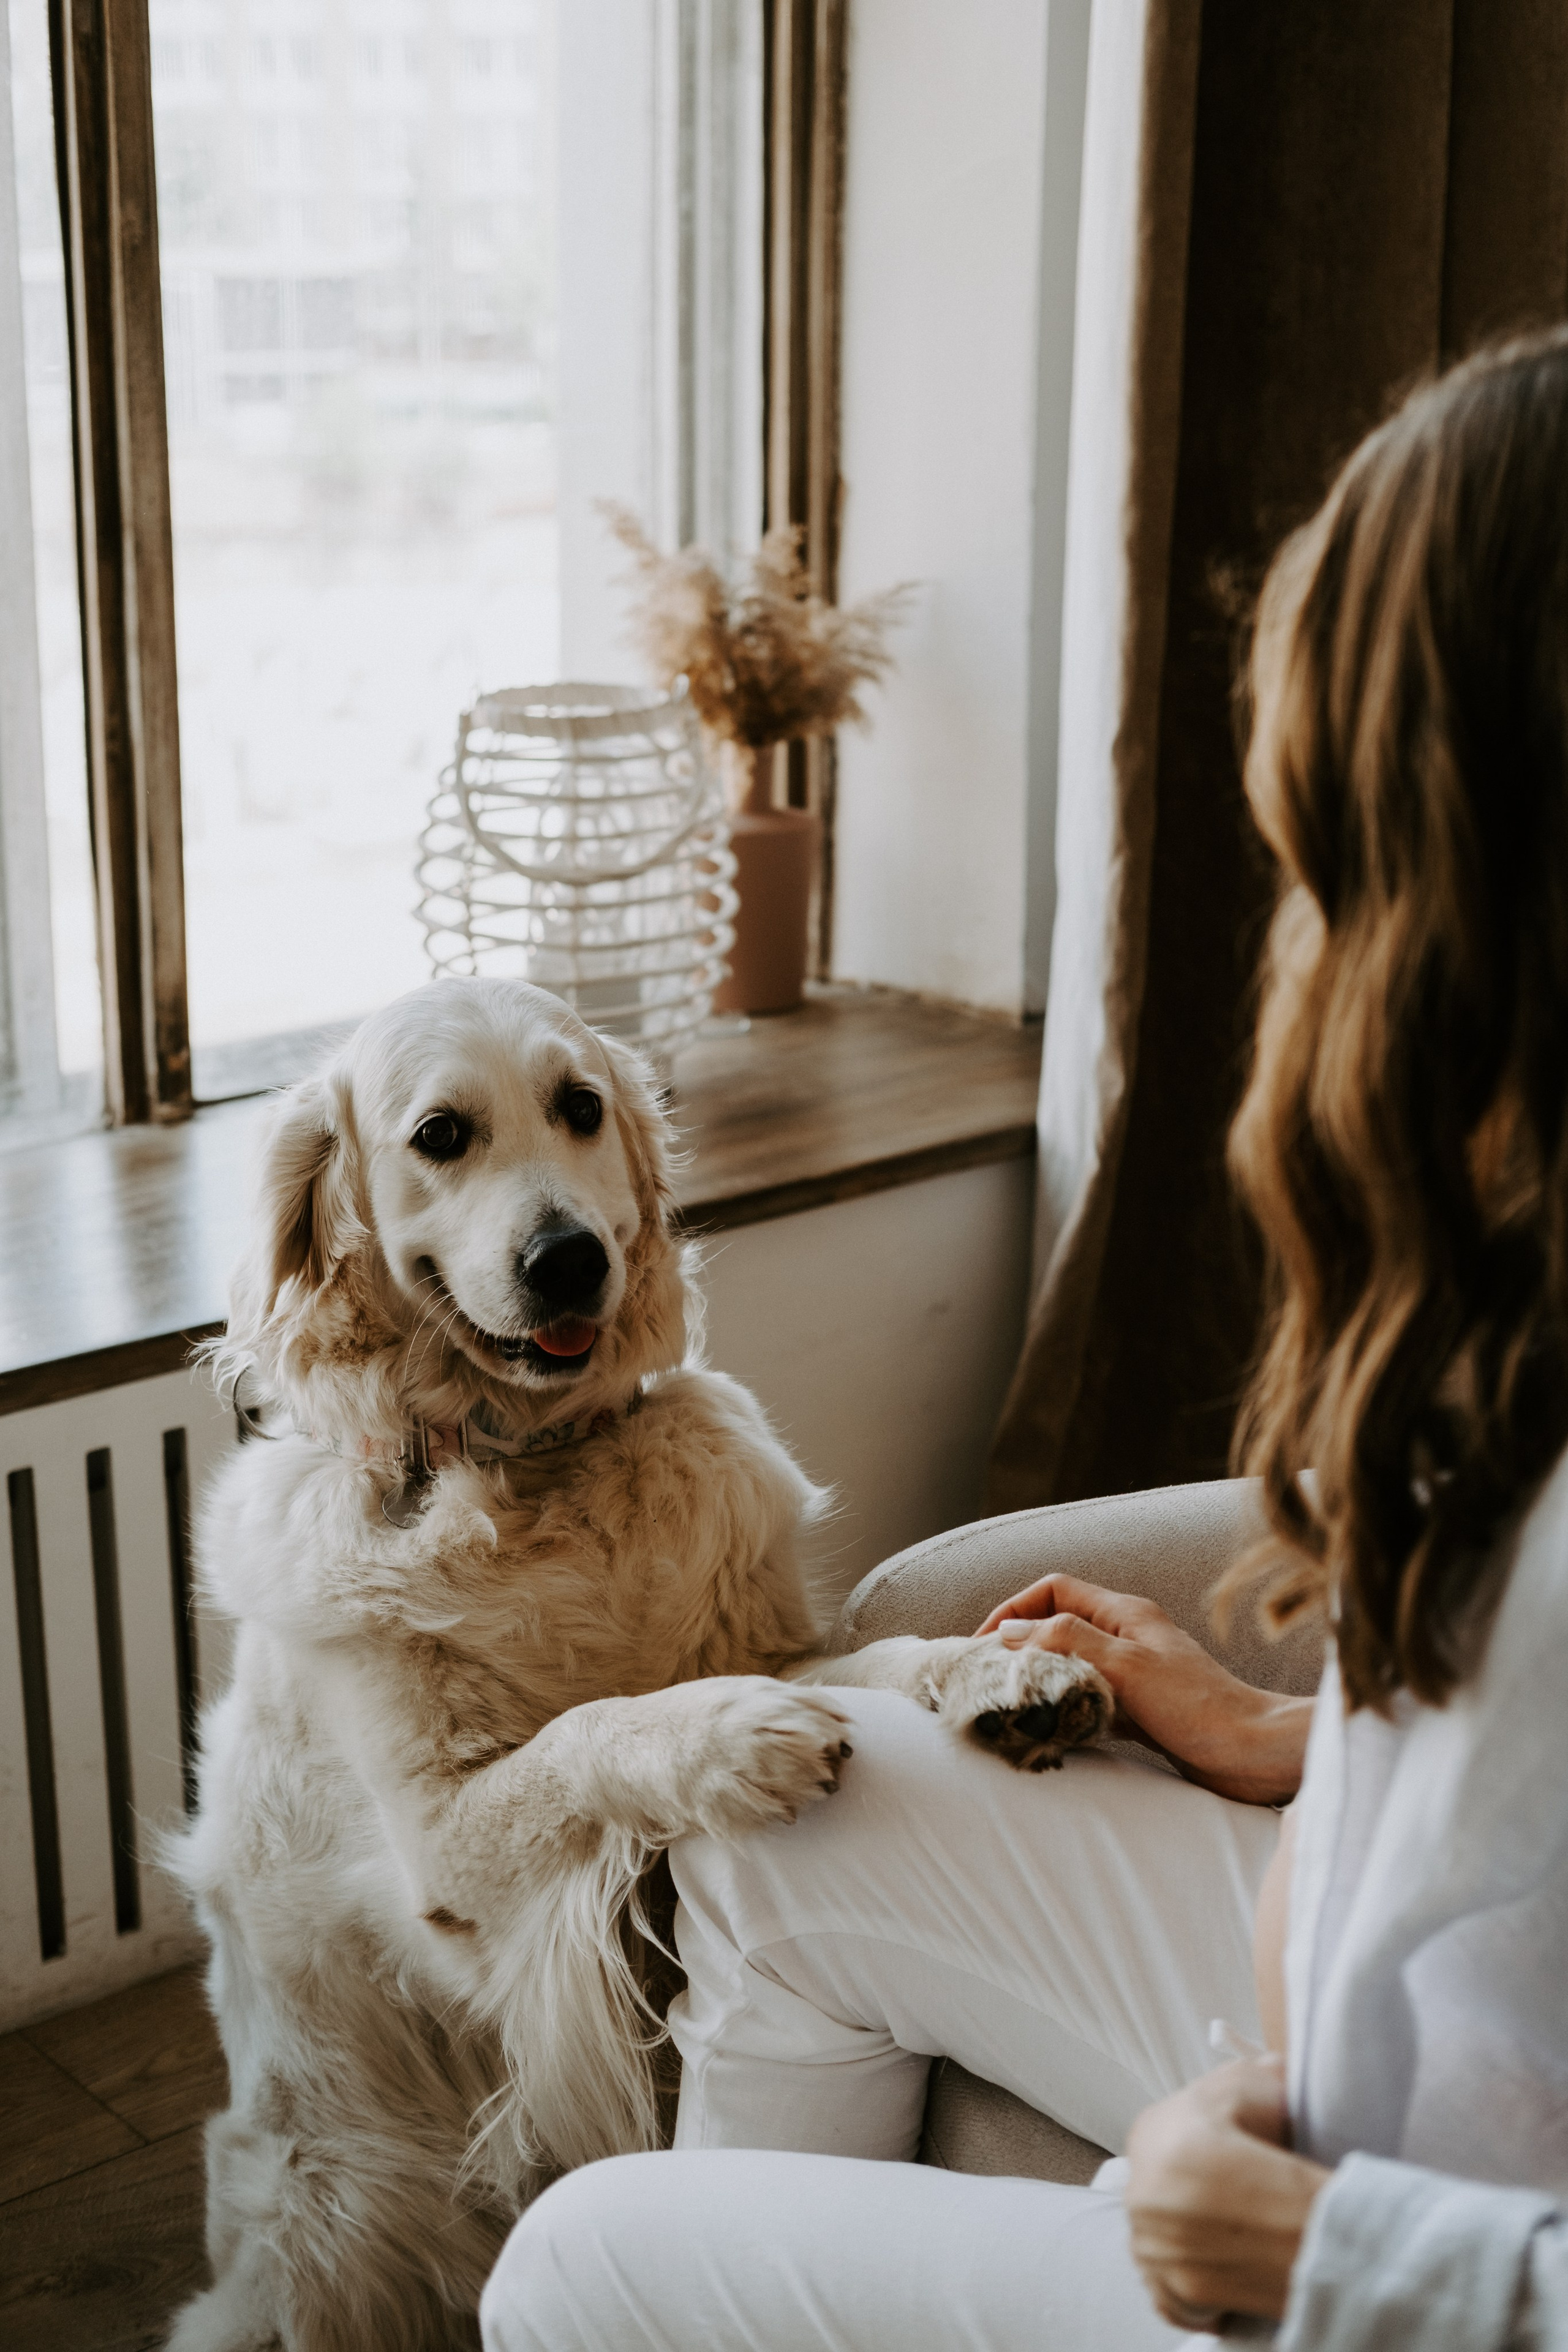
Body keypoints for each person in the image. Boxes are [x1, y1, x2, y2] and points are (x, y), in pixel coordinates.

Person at [479, 330, 1568, 2350]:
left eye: (1333, 862)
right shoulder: (1519, 1278)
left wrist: (1357, 2272)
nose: (1301, 944)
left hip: (1403, 2259)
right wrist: (1298, 1744)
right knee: (794, 1825)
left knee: (574, 2262)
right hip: (1383, 2081)